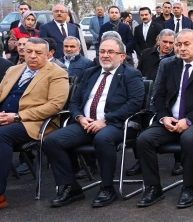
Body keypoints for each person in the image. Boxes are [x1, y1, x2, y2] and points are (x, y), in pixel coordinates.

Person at [43, 38, 145, 208]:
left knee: (102, 138)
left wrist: (105, 121)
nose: (105, 55)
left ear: (122, 56)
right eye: (102, 52)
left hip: (118, 124)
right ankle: (71, 187)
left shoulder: (131, 74)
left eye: (111, 52)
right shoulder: (90, 72)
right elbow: (74, 102)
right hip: (86, 124)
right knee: (52, 141)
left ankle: (107, 188)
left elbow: (135, 103)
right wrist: (79, 118)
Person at [136, 30, 193, 209]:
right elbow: (158, 95)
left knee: (188, 138)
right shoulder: (169, 66)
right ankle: (153, 187)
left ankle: (188, 187)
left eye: (186, 44)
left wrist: (189, 120)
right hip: (170, 120)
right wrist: (163, 118)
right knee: (143, 139)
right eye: (178, 45)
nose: (182, 48)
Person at [0, 38, 69, 214]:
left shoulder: (57, 73)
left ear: (49, 54)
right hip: (1, 118)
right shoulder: (13, 70)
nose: (32, 56)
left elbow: (55, 106)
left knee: (0, 136)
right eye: (29, 51)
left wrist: (17, 116)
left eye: (38, 53)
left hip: (33, 123)